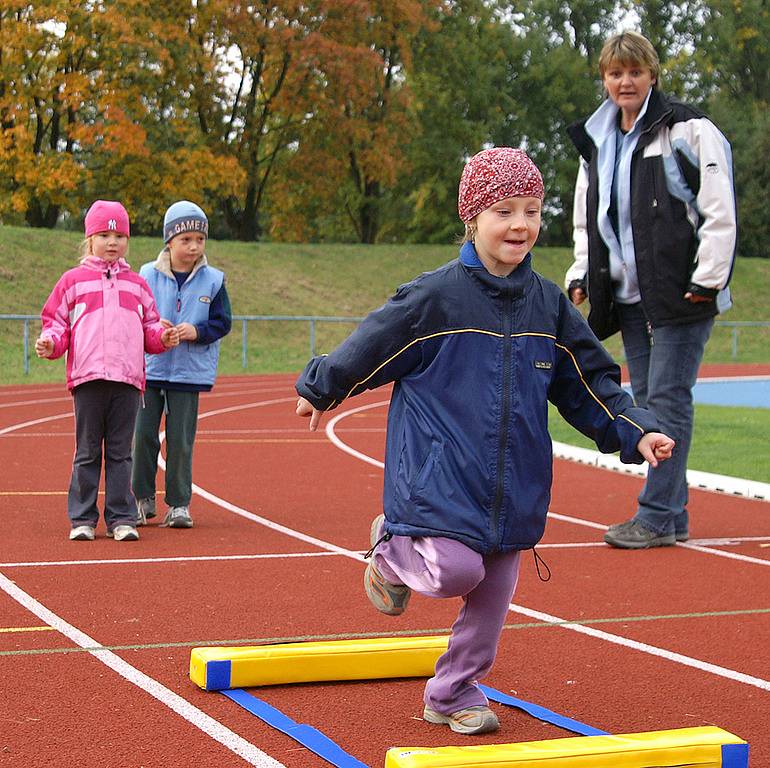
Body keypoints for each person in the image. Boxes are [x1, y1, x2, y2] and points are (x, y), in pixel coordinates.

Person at [295, 147, 675, 735]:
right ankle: (392, 547)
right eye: (503, 210)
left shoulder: (547, 304)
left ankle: (452, 694)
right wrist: (322, 386)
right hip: (439, 474)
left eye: (531, 209)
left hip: (514, 481)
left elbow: (588, 382)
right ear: (472, 219)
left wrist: (636, 428)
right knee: (454, 571)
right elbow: (372, 344)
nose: (520, 223)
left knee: (491, 604)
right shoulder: (434, 297)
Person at [565, 31, 737, 549]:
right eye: (615, 73)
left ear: (652, 75)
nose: (625, 81)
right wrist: (581, 272)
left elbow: (718, 207)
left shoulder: (688, 130)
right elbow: (586, 219)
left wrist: (708, 279)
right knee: (647, 401)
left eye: (634, 72)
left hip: (683, 294)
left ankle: (658, 513)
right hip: (629, 298)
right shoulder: (596, 141)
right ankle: (673, 514)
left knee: (667, 399)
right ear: (605, 79)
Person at [35, 200, 179, 542]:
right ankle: (82, 518)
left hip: (127, 381)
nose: (112, 242)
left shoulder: (138, 285)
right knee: (87, 452)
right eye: (104, 234)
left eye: (119, 235)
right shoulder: (72, 281)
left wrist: (164, 336)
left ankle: (121, 518)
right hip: (88, 379)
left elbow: (150, 327)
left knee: (120, 453)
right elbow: (56, 323)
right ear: (90, 239)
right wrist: (51, 343)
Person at [131, 201, 232, 529]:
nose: (194, 246)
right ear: (169, 241)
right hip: (150, 368)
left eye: (200, 240)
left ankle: (178, 504)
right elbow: (134, 315)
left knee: (180, 440)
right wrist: (155, 330)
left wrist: (197, 331)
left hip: (189, 372)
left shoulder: (214, 281)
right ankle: (141, 499)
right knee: (143, 435)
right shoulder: (145, 275)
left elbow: (222, 322)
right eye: (186, 239)